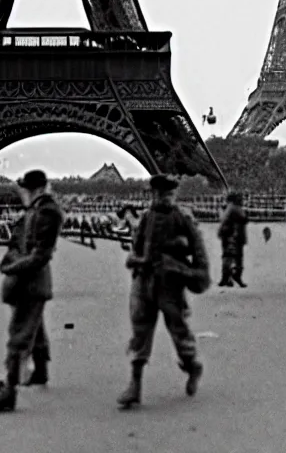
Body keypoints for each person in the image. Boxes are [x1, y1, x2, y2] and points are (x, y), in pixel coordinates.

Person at [117, 174, 211, 409]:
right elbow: (136, 247)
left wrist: (197, 274)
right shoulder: (147, 219)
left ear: (174, 195)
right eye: (160, 194)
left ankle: (191, 365)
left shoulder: (182, 219)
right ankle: (135, 386)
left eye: (168, 195)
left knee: (178, 329)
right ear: (153, 195)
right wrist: (136, 262)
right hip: (147, 281)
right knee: (141, 330)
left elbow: (198, 250)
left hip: (171, 283)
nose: (164, 198)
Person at [0, 170, 64, 412]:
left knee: (19, 333)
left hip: (31, 281)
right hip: (32, 280)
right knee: (34, 326)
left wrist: (11, 267)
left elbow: (40, 255)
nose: (21, 193)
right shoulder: (37, 210)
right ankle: (40, 370)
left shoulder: (46, 212)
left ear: (35, 190)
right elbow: (20, 243)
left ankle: (9, 388)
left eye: (24, 189)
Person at [217, 192, 248, 288]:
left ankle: (225, 278)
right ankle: (235, 276)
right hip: (234, 236)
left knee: (227, 256)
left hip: (226, 235)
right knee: (237, 257)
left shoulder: (226, 208)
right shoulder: (235, 208)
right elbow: (244, 219)